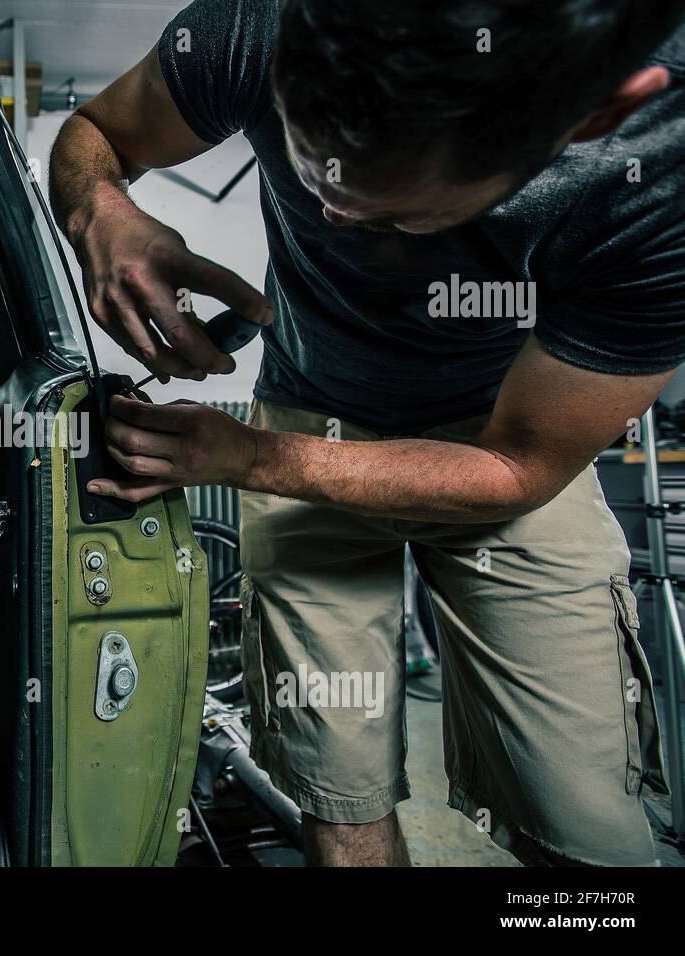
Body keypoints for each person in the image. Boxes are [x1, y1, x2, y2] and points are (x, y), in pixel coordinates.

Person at [49, 0, 685, 865]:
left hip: (504, 446)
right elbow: (96, 132)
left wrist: (248, 459)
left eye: (389, 217)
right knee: (335, 791)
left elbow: (517, 466)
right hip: (308, 409)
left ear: (593, 115)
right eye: (314, 183)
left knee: (582, 826)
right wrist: (103, 213)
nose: (334, 225)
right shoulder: (257, 24)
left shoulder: (663, 180)